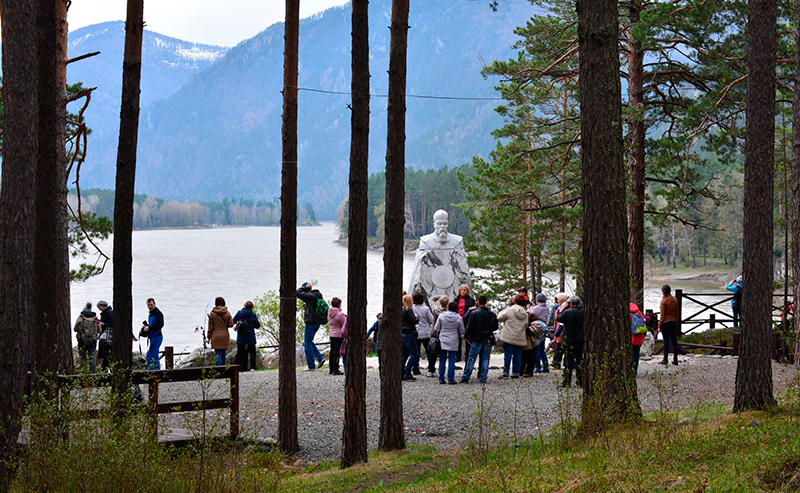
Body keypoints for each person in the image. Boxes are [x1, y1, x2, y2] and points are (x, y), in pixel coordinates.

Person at [460, 295, 497, 384]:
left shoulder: (474, 313)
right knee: (485, 359)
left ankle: (466, 376)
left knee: (472, 358)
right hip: (487, 337)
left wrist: (465, 335)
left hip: (476, 338)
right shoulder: (491, 314)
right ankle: (483, 376)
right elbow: (495, 326)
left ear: (477, 302)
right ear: (486, 302)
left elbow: (470, 326)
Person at [497, 294, 529, 379]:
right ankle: (516, 372)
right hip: (519, 336)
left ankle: (505, 372)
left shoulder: (510, 310)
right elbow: (526, 325)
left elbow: (499, 318)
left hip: (508, 336)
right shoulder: (525, 313)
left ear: (515, 301)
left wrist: (501, 312)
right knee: (518, 355)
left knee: (507, 355)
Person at [296, 282, 327, 371]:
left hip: (311, 322)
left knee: (307, 343)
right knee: (310, 341)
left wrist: (303, 288)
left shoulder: (310, 296)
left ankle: (311, 366)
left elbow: (297, 293)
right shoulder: (317, 295)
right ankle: (320, 358)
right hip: (317, 322)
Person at [433, 301, 465, 384]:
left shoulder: (441, 316)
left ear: (448, 307)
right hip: (453, 339)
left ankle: (441, 377)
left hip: (443, 338)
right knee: (451, 359)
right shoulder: (458, 317)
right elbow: (462, 330)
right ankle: (451, 378)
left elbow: (436, 328)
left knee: (442, 359)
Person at [557, 295, 584, 388]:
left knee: (568, 361)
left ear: (571, 303)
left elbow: (558, 318)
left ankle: (567, 381)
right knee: (580, 360)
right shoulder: (583, 312)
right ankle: (580, 381)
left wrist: (566, 307)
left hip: (568, 340)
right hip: (580, 340)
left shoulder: (568, 312)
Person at [233, 300, 261, 371]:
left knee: (240, 353)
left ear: (244, 306)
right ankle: (252, 367)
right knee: (252, 353)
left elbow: (232, 321)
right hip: (250, 337)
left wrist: (238, 323)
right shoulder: (253, 315)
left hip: (241, 337)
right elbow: (257, 325)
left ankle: (240, 368)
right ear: (252, 307)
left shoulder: (239, 313)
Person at [412, 291, 434, 376]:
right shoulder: (426, 309)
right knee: (429, 351)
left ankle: (415, 368)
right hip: (425, 332)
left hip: (416, 332)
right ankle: (431, 369)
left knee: (416, 352)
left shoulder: (412, 308)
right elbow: (431, 320)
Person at [73, 302, 100, 372]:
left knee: (83, 357)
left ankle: (83, 373)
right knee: (92, 357)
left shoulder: (80, 318)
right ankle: (93, 373)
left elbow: (75, 329)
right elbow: (99, 330)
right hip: (93, 341)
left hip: (82, 341)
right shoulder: (95, 318)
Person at [207, 296, 234, 366]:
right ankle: (224, 370)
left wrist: (208, 337)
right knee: (223, 354)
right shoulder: (227, 313)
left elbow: (210, 327)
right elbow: (231, 324)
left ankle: (219, 371)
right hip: (225, 335)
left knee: (217, 354)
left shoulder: (212, 313)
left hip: (215, 335)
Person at [427, 295, 449, 376]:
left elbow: (431, 299)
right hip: (444, 332)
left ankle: (431, 369)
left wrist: (440, 296)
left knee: (433, 351)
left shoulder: (435, 309)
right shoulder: (447, 311)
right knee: (443, 352)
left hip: (435, 331)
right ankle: (441, 371)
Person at [141, 298, 164, 370]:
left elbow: (160, 324)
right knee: (155, 355)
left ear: (154, 304)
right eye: (148, 305)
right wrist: (146, 327)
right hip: (152, 336)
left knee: (150, 355)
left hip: (157, 336)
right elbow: (152, 325)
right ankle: (157, 371)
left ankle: (150, 372)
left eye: (151, 305)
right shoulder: (150, 314)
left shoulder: (158, 313)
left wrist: (149, 327)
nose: (150, 307)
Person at [659, 284, 680, 366]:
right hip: (673, 322)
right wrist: (676, 322)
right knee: (674, 341)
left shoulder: (664, 301)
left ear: (663, 292)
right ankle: (675, 359)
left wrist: (659, 326)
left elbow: (662, 315)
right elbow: (676, 314)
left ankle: (665, 359)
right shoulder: (675, 300)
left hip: (666, 323)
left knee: (666, 341)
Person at [453, 284, 475, 363]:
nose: (463, 291)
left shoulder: (471, 300)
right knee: (457, 339)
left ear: (467, 291)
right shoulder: (456, 299)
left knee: (467, 338)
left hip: (467, 320)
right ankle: (458, 355)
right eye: (462, 290)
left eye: (464, 290)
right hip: (458, 320)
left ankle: (467, 355)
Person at [548, 293, 569, 370]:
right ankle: (557, 363)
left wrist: (557, 332)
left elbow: (560, 321)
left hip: (561, 330)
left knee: (559, 348)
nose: (557, 301)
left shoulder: (564, 307)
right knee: (559, 347)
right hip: (559, 329)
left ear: (562, 300)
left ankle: (557, 363)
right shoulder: (561, 306)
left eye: (558, 299)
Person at [401, 294, 420, 381]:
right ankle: (408, 372)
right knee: (414, 353)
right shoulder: (409, 310)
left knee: (404, 354)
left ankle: (401, 372)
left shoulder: (401, 310)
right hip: (408, 333)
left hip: (402, 333)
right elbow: (414, 321)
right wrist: (417, 317)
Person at [530, 293, 550, 373]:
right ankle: (545, 365)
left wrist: (530, 307)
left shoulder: (535, 308)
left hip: (537, 328)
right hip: (544, 328)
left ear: (537, 300)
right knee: (542, 349)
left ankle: (537, 366)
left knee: (536, 348)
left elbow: (531, 314)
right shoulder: (547, 307)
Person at [327, 297, 347, 376]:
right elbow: (344, 324)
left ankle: (331, 368)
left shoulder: (329, 313)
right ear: (339, 304)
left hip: (332, 333)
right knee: (337, 352)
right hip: (339, 334)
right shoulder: (339, 314)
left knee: (332, 351)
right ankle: (336, 369)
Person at [96, 300, 114, 370]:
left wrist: (102, 324)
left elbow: (112, 323)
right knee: (105, 352)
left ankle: (105, 368)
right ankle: (106, 368)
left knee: (107, 353)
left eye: (99, 307)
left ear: (103, 306)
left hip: (108, 337)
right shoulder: (105, 313)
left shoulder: (109, 313)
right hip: (104, 336)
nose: (99, 309)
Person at [630, 302, 646, 375]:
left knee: (632, 355)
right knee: (636, 354)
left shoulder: (629, 314)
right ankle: (635, 371)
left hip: (632, 337)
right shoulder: (639, 313)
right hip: (639, 338)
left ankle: (632, 371)